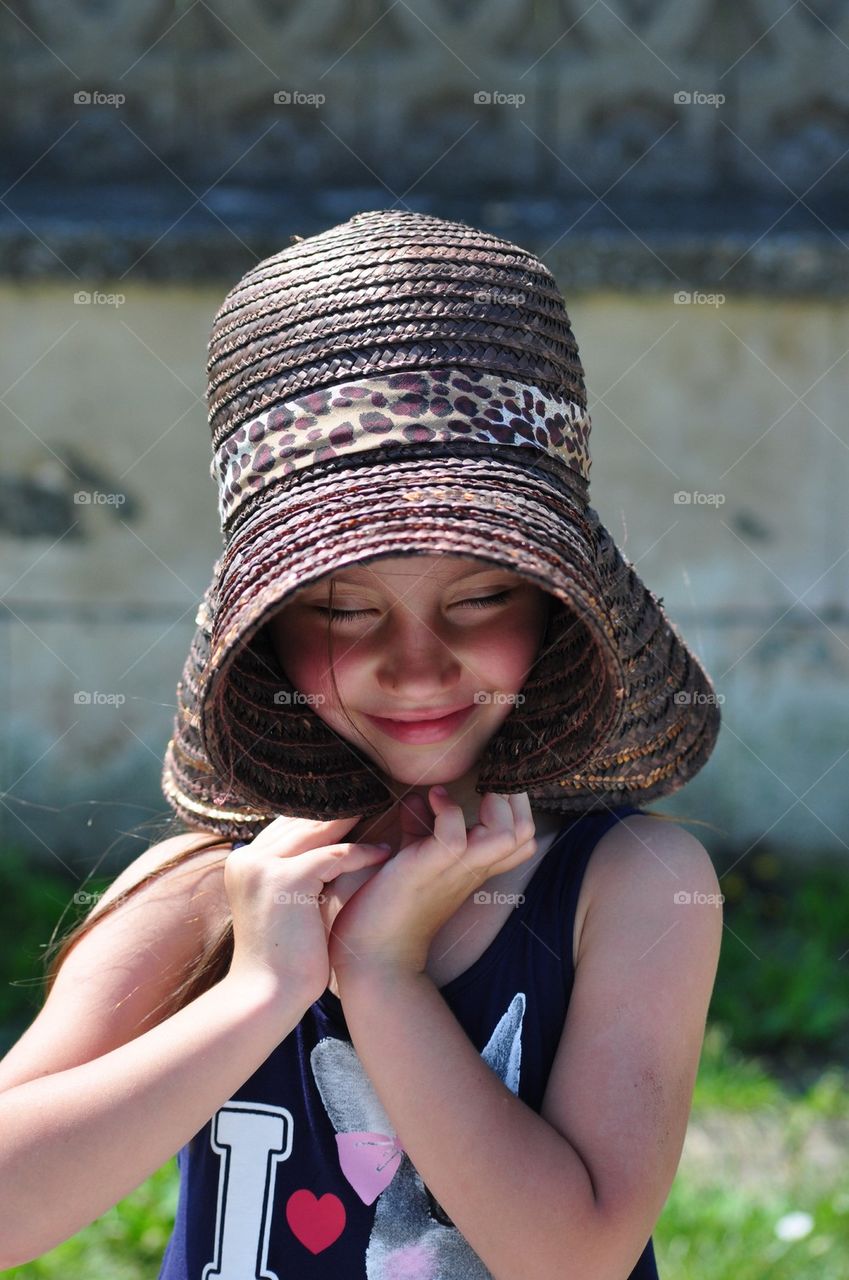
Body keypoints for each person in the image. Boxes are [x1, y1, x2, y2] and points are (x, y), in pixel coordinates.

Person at [0, 209, 724, 1279]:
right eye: (343, 608)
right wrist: (262, 990)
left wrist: (382, 977)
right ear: (265, 629)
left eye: (481, 596)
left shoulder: (631, 885)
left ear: (560, 609)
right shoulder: (208, 890)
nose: (419, 664)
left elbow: (574, 1256)